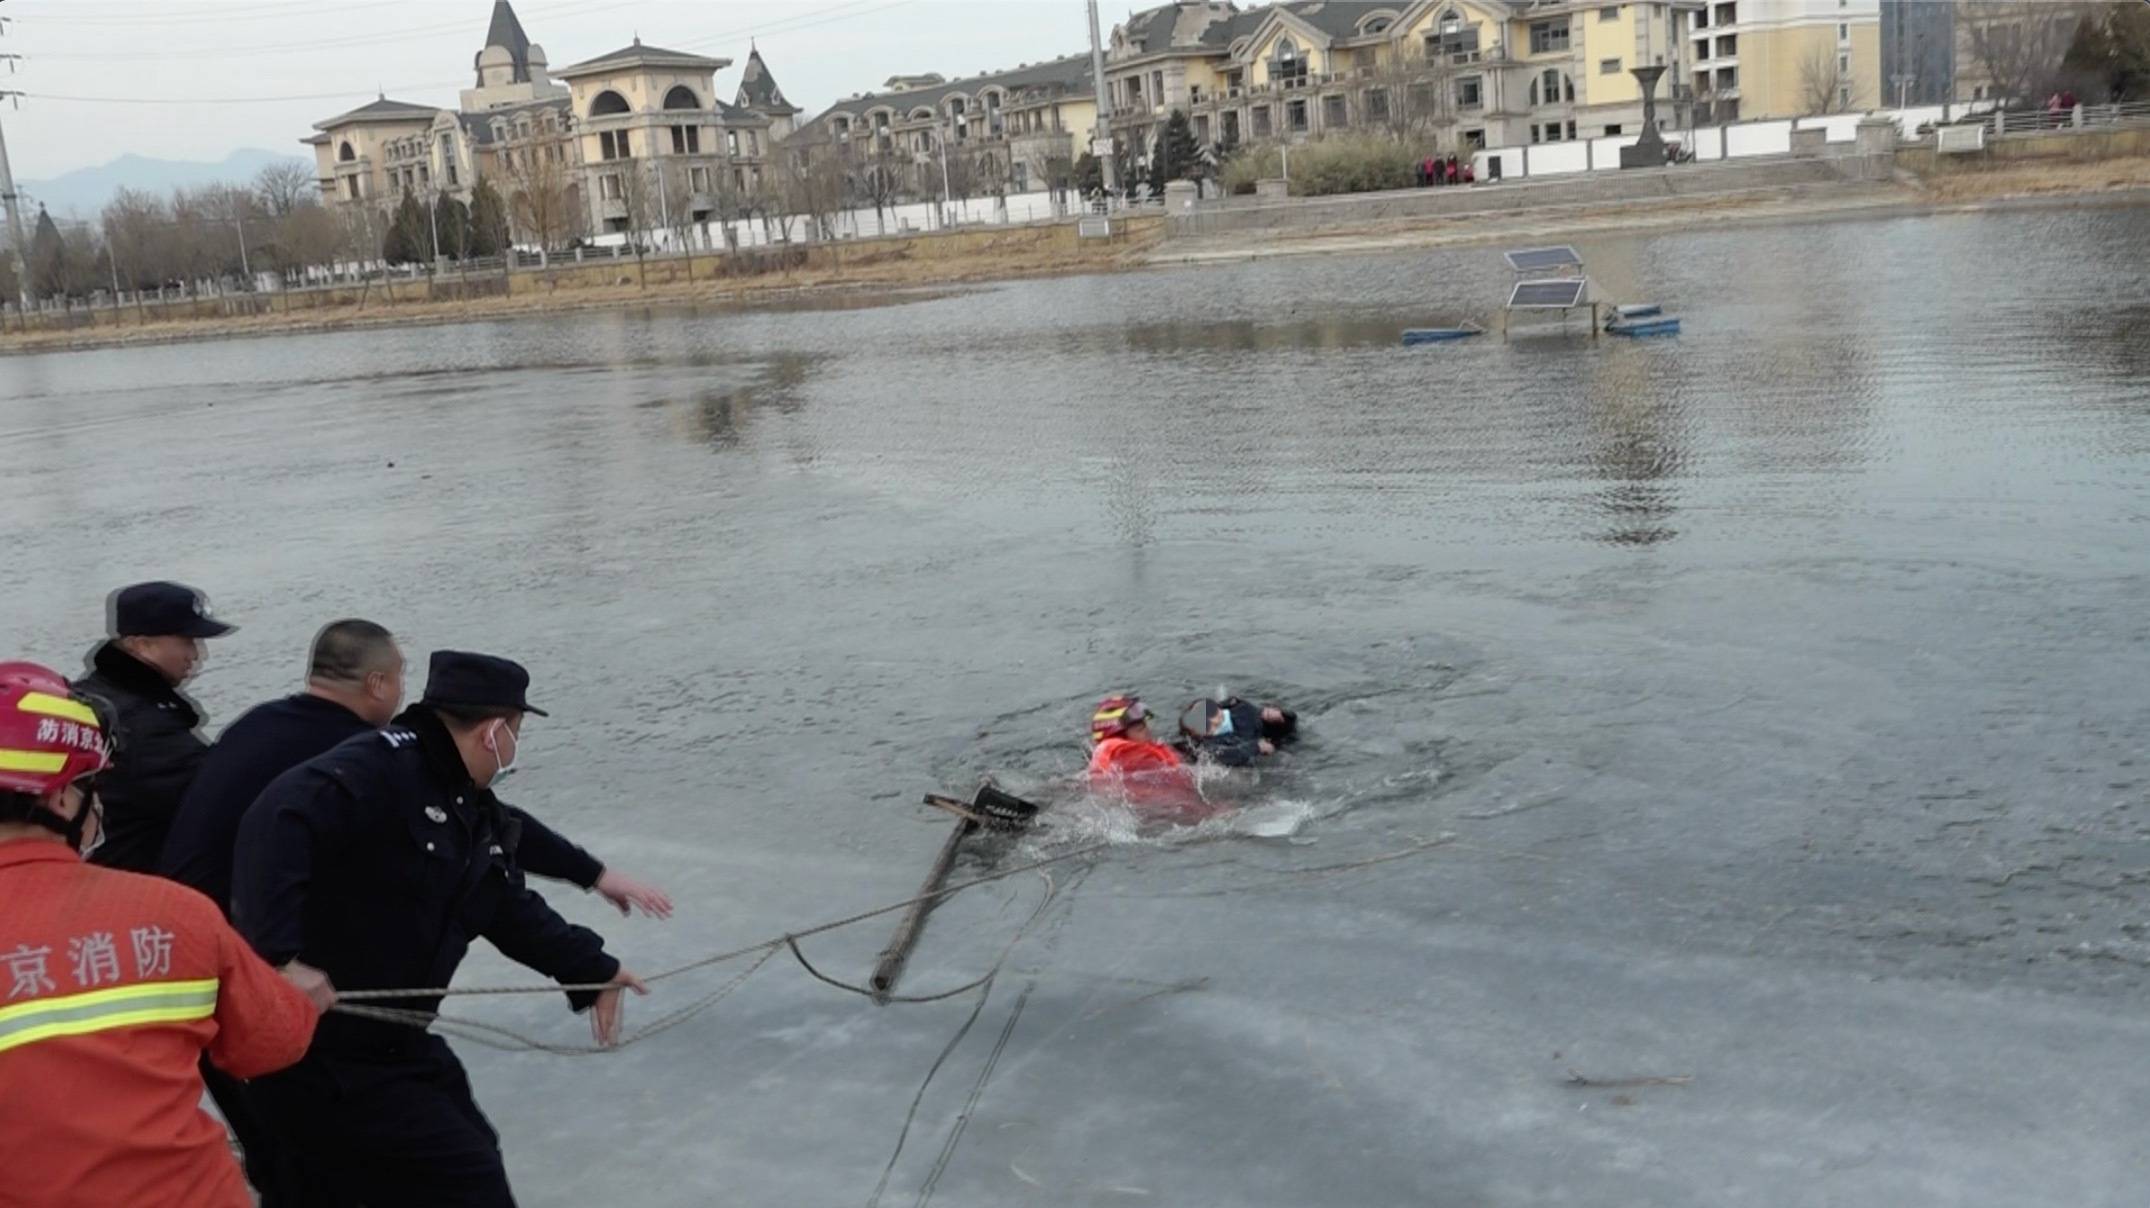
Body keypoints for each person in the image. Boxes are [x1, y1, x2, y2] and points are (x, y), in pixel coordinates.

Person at [160, 621, 670, 1208]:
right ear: (495, 730)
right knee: (453, 1178)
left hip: (388, 1042)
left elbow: (499, 898)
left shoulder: (453, 793)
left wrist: (590, 967)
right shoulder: (380, 767)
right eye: (518, 731)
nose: (515, 747)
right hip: (320, 1050)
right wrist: (278, 958)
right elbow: (279, 816)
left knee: (465, 1153)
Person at [0, 661, 329, 1208]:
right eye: (90, 786)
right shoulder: (170, 912)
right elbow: (267, 1046)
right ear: (60, 798)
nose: (98, 804)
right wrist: (300, 1000)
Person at [71, 580, 233, 873]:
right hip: (133, 886)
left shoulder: (91, 695)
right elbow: (222, 795)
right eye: (187, 641)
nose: (196, 655)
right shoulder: (145, 727)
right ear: (141, 644)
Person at [1178, 697, 1299, 767]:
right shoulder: (1209, 745)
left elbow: (1289, 726)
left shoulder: (1239, 707)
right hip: (1258, 755)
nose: (1214, 719)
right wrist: (1256, 747)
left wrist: (1281, 717)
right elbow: (1220, 755)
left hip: (1279, 740)